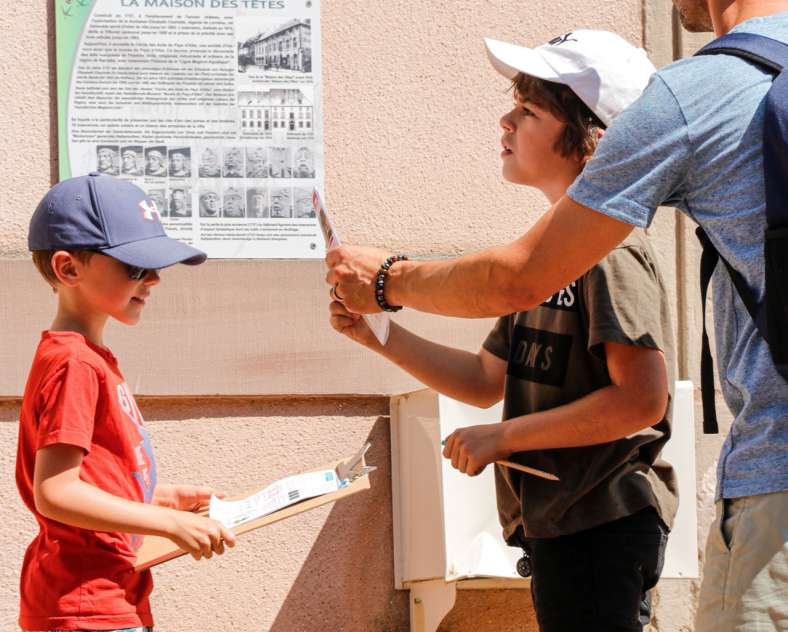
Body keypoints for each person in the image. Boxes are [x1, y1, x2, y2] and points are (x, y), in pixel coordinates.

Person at [326, 4, 788, 629]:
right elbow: (488, 378)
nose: (505, 120)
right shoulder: (548, 253)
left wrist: (388, 283)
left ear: (599, 138)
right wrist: (380, 335)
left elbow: (641, 400)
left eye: (530, 112)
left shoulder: (609, 254)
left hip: (604, 520)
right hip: (555, 519)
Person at [18, 173, 235, 632]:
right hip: (85, 606)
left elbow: (92, 478)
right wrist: (165, 523)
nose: (154, 279)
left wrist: (164, 497)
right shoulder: (75, 362)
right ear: (68, 268)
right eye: (135, 266)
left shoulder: (87, 358)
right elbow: (56, 492)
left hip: (104, 599)